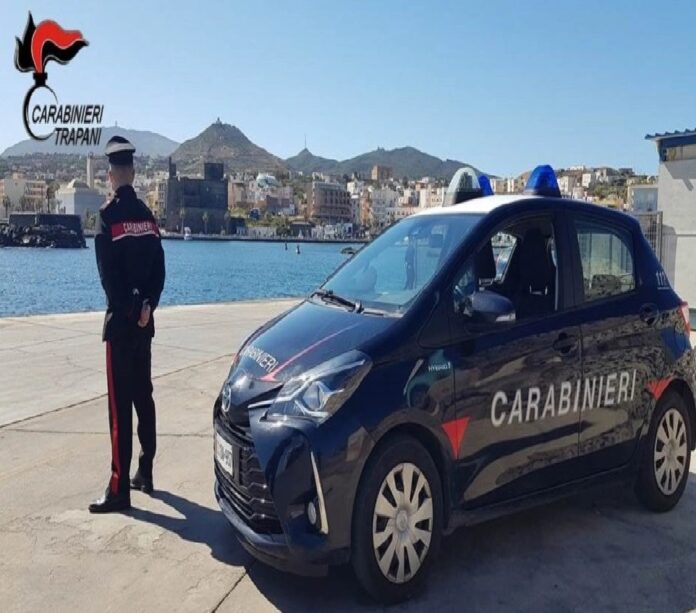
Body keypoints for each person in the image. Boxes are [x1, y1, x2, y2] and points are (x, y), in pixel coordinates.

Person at [89, 136, 166, 513]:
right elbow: (159, 271)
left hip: (121, 327)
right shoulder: (148, 218)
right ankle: (145, 471)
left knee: (120, 408)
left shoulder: (107, 217)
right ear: (133, 173)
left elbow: (110, 281)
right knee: (143, 397)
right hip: (144, 326)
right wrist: (148, 306)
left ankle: (119, 488)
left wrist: (133, 308)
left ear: (110, 175)